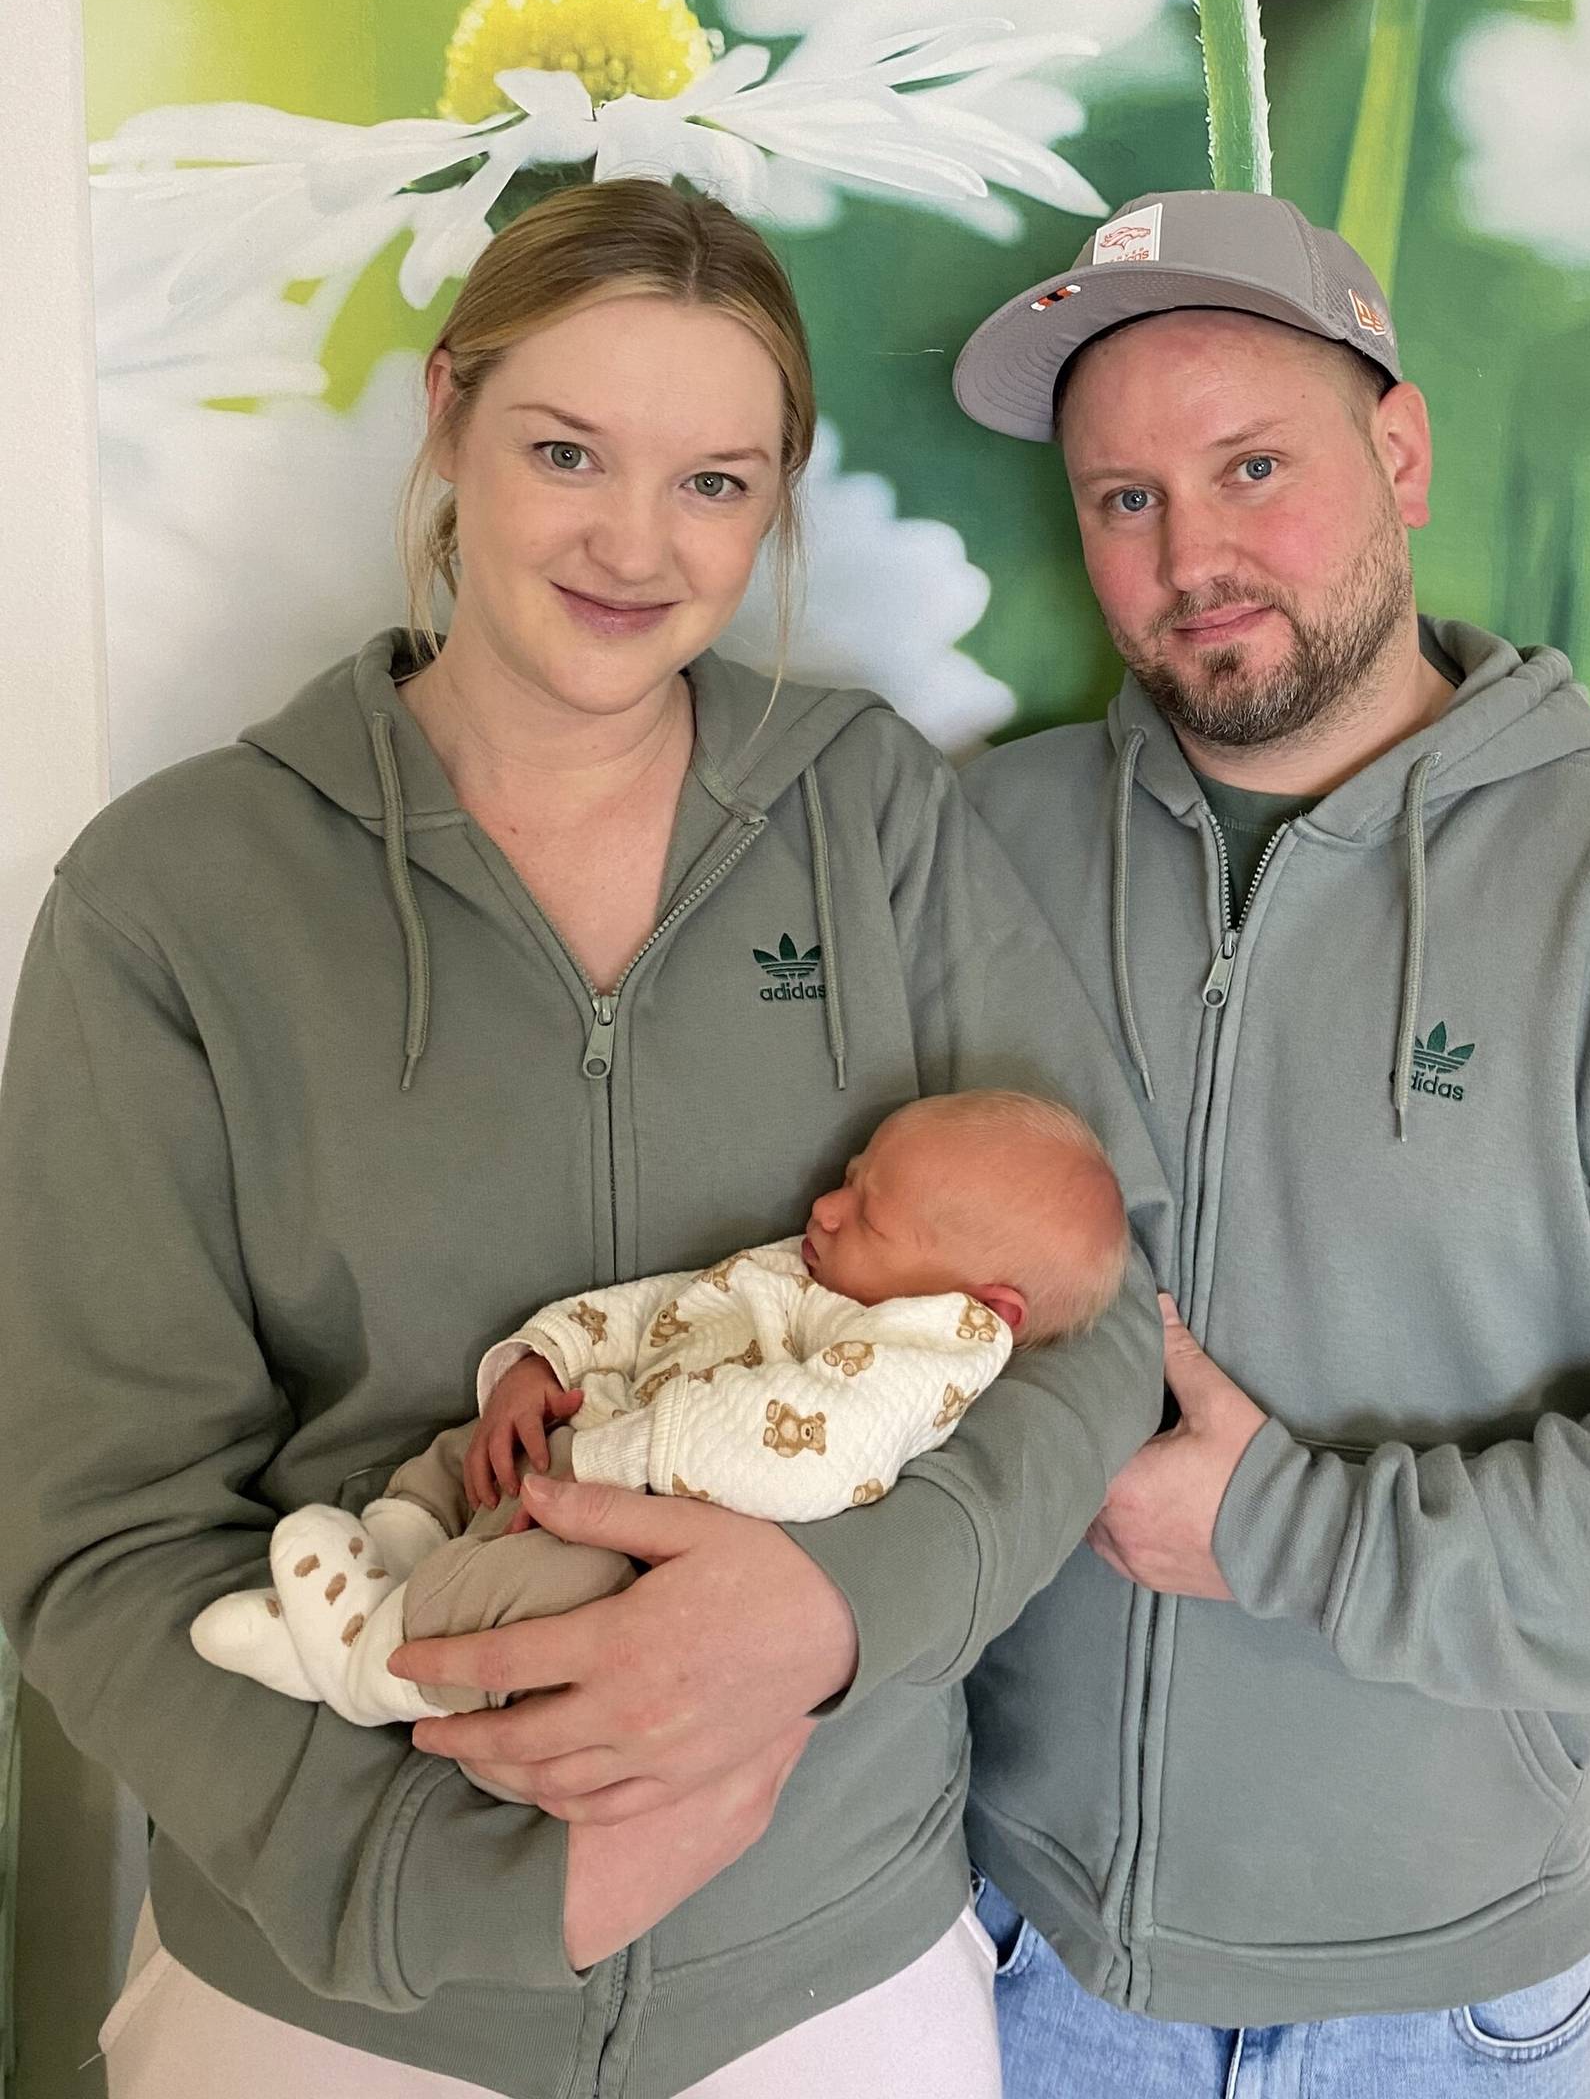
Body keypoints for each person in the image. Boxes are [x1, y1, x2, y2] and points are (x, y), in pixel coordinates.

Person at [0, 180, 1169, 2099]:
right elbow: (97, 1528)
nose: (638, 544)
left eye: (715, 481)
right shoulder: (174, 896)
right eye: (566, 452)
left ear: (776, 498)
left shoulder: (868, 814)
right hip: (331, 2012)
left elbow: (1090, 1312)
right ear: (448, 417)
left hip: (827, 1985)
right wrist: (429, 1906)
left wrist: (828, 1619)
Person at [949, 190, 1590, 2093]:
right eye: (1123, 498)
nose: (1193, 555)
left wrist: (1288, 1531)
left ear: (1397, 454)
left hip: (1439, 2013)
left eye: (1255, 465)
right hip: (1016, 1953)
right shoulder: (974, 854)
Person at [190, 1088, 1131, 1727]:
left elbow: (804, 1449)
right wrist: (539, 1361)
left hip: (633, 1538)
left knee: (535, 1593)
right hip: (593, 1443)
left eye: (870, 1213)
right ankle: (400, 1542)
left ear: (984, 1306)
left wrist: (600, 1461)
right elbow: (660, 1308)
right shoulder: (814, 1271)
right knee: (458, 1451)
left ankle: (370, 1661)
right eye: (850, 1177)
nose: (829, 1207)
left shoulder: (926, 1357)